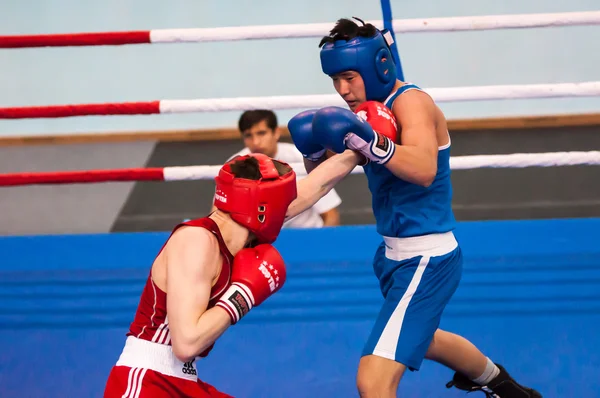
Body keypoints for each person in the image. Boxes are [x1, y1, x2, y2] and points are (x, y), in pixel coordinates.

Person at [286, 17, 543, 398]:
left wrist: (374, 145)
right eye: (335, 80)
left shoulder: (412, 104)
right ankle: (500, 384)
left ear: (379, 65)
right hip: (392, 255)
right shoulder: (366, 113)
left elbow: (423, 169)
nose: (343, 90)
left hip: (428, 258)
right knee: (424, 337)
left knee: (373, 382)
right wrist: (313, 149)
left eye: (350, 77)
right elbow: (323, 176)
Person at [103, 154, 297, 397]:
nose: (286, 209)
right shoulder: (197, 241)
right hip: (147, 380)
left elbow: (306, 192)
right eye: (282, 202)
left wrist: (352, 150)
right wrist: (242, 297)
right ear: (262, 207)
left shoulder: (234, 238)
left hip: (182, 380)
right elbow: (186, 344)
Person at [227, 109, 342, 228]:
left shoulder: (300, 158)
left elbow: (330, 214)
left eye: (261, 133)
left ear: (276, 132)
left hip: (307, 235)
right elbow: (219, 214)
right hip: (261, 239)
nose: (255, 142)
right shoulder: (236, 165)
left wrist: (322, 244)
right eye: (248, 135)